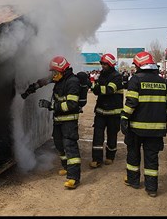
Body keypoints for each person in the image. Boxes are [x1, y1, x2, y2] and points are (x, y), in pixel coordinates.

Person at [120, 51, 167, 197]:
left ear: (139, 65)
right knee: (151, 158)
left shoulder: (136, 80)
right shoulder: (163, 82)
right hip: (156, 129)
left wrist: (124, 117)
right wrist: (164, 118)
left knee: (133, 154)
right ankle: (151, 188)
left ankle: (133, 181)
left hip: (136, 128)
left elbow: (131, 103)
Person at [38, 56, 82, 189]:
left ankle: (74, 178)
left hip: (69, 121)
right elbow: (47, 80)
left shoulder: (72, 82)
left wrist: (51, 106)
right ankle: (67, 168)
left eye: (54, 72)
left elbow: (72, 105)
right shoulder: (60, 79)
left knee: (70, 147)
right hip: (58, 120)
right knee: (59, 144)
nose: (53, 75)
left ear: (62, 71)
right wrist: (34, 86)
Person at [89, 53, 123, 168]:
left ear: (111, 65)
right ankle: (97, 159)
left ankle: (110, 156)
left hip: (113, 112)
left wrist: (95, 87)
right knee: (97, 135)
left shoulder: (117, 76)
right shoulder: (101, 75)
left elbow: (109, 90)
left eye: (105, 64)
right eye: (102, 64)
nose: (103, 66)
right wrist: (95, 87)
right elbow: (96, 91)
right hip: (100, 111)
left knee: (112, 135)